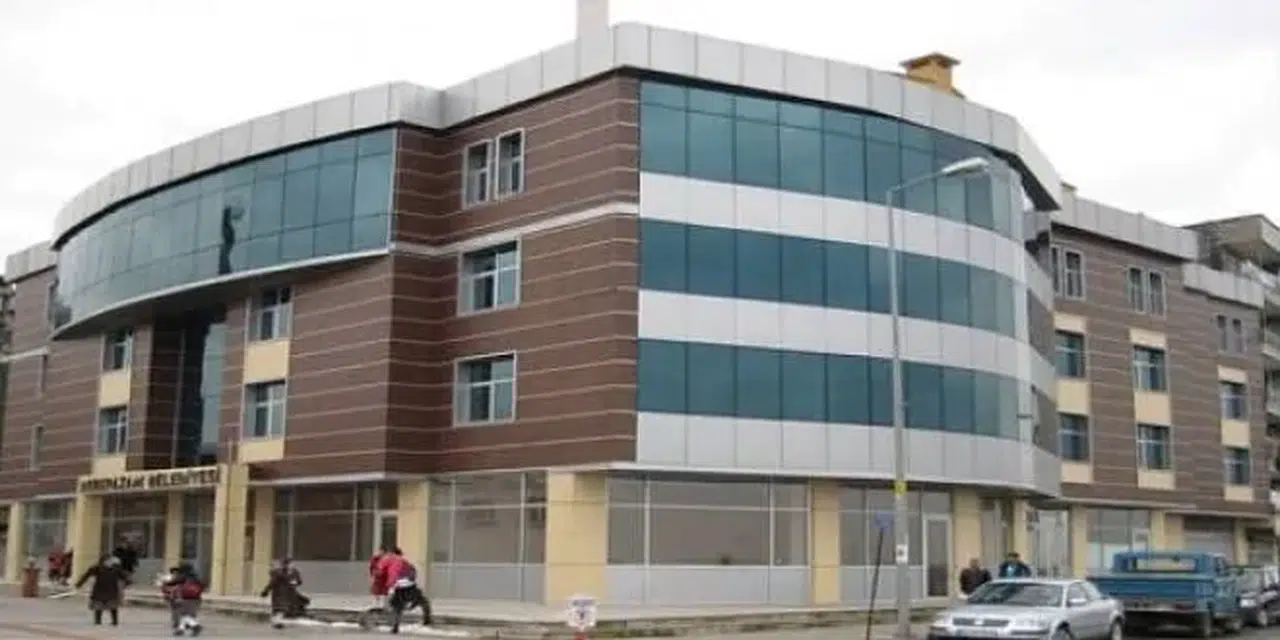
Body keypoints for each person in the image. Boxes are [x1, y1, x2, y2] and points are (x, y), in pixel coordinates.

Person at [378, 547, 431, 634]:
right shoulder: (402, 561)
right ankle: (426, 620)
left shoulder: (386, 560)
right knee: (423, 601)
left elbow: (380, 572)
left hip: (396, 586)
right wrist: (411, 579)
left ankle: (395, 627)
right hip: (407, 585)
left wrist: (388, 584)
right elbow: (412, 571)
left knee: (398, 607)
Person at [74, 555, 130, 626]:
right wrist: (79, 584)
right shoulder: (97, 568)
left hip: (111, 589)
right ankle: (98, 621)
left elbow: (124, 576)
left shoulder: (116, 569)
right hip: (99, 589)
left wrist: (127, 583)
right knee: (98, 606)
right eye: (109, 561)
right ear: (104, 561)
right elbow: (87, 575)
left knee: (113, 606)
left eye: (111, 561)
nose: (110, 562)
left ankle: (115, 621)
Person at [260, 557, 309, 628]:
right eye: (290, 564)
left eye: (292, 564)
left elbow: (299, 581)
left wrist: (295, 582)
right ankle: (277, 622)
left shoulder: (295, 572)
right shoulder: (279, 573)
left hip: (290, 593)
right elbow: (272, 583)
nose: (292, 565)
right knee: (280, 608)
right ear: (286, 565)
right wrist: (265, 591)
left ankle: (281, 620)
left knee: (294, 605)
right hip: (280, 593)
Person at [160, 563, 205, 636]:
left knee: (184, 614)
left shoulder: (183, 576)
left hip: (186, 597)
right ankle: (181, 630)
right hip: (196, 598)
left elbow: (173, 582)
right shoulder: (196, 577)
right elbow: (202, 586)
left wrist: (164, 582)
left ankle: (196, 626)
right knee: (186, 614)